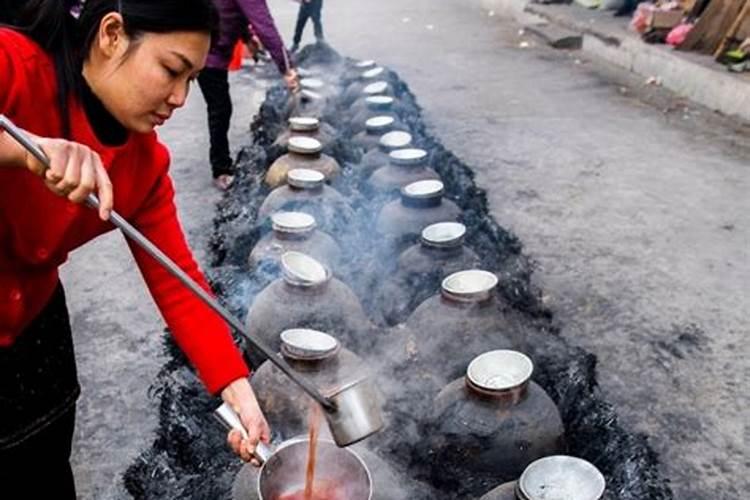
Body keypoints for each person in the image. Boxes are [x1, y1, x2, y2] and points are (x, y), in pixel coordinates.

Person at [0, 1, 271, 497]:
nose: (181, 97)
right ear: (111, 34)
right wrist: (27, 152)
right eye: (171, 70)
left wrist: (237, 390)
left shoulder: (143, 164)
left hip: (37, 336)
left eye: (191, 79)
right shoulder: (13, 64)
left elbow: (179, 282)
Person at [199, 0, 298, 190]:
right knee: (220, 108)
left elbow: (233, 11)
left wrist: (247, 37)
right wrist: (287, 68)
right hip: (208, 55)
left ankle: (221, 164)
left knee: (220, 107)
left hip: (213, 50)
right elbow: (265, 26)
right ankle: (221, 169)